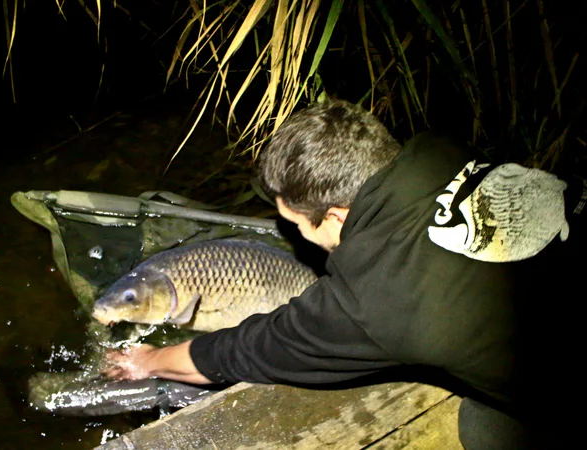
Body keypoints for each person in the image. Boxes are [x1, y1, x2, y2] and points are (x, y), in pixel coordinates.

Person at [104, 100, 582, 449]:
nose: (293, 233)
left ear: (335, 216)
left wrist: (150, 360)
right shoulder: (443, 151)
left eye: (293, 224)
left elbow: (249, 349)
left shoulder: (377, 300)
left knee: (485, 430)